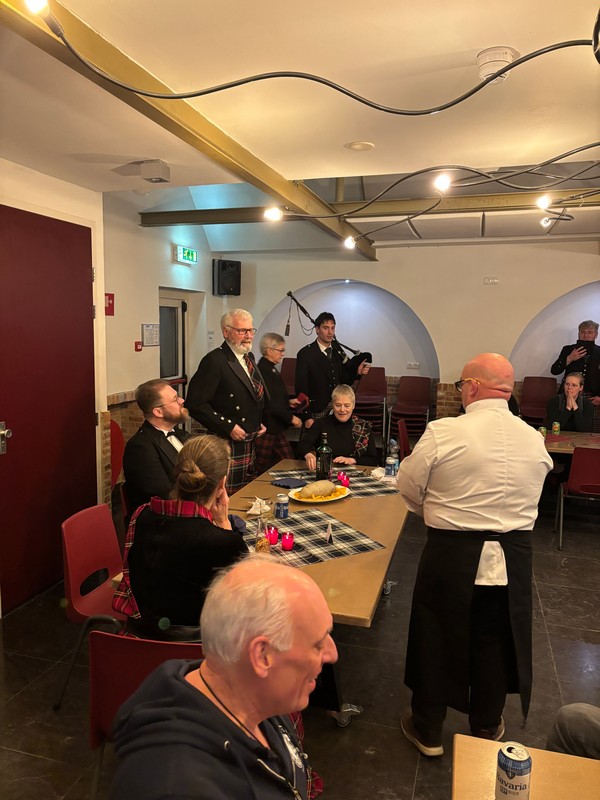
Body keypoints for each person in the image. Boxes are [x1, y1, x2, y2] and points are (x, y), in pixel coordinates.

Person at [396, 353, 552, 757]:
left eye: (461, 384)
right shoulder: (533, 439)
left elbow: (408, 487)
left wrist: (435, 510)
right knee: (494, 639)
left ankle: (429, 730)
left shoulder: (444, 432)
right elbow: (536, 494)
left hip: (451, 552)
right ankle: (484, 725)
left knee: (435, 635)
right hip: (512, 558)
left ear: (472, 387)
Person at [110, 554, 338, 800]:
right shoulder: (177, 787)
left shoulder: (254, 694)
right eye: (318, 644)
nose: (332, 654)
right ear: (262, 655)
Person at [113, 435, 248, 640]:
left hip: (137, 642)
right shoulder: (225, 542)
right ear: (222, 483)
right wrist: (223, 523)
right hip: (198, 648)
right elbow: (245, 602)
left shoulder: (141, 516)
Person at [186, 309, 267, 493]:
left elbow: (251, 396)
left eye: (251, 330)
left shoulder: (248, 357)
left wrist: (258, 420)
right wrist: (228, 427)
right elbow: (195, 404)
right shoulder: (214, 361)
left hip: (250, 440)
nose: (248, 336)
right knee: (226, 496)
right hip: (227, 442)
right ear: (226, 331)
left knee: (246, 494)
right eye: (242, 331)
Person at [122, 379, 191, 514]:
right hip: (162, 519)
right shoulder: (140, 447)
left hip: (189, 510)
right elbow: (164, 496)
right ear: (158, 412)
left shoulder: (182, 435)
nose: (182, 400)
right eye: (175, 399)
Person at [295, 312, 370, 433]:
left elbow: (344, 380)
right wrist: (306, 417)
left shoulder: (337, 351)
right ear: (317, 330)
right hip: (316, 411)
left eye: (332, 328)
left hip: (337, 409)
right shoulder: (305, 354)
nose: (330, 332)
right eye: (326, 328)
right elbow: (300, 388)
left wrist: (357, 372)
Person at [254, 332, 303, 473]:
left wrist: (288, 402)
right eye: (280, 350)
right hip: (269, 428)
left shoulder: (270, 368)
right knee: (260, 468)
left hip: (275, 427)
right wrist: (291, 418)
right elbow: (270, 404)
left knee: (287, 464)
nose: (283, 354)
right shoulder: (264, 371)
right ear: (269, 351)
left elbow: (275, 397)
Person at [299, 384, 378, 468]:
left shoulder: (364, 427)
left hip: (354, 472)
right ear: (332, 404)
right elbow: (303, 445)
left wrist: (352, 460)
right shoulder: (320, 424)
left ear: (353, 405)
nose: (342, 410)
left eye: (347, 406)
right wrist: (308, 454)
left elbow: (373, 460)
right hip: (326, 470)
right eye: (338, 405)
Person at [551, 320, 600, 432]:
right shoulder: (568, 349)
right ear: (578, 333)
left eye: (590, 332)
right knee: (564, 426)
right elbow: (554, 370)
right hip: (568, 393)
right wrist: (569, 358)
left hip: (592, 397)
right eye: (582, 332)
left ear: (596, 335)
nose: (585, 335)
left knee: (589, 430)